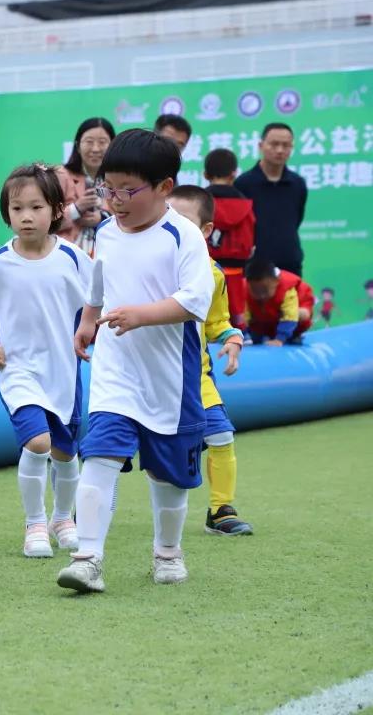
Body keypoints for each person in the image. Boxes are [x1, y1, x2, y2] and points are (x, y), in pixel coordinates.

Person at [57, 129, 215, 593]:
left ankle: (168, 552)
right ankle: (88, 557)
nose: (115, 200)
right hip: (116, 373)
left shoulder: (183, 236)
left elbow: (194, 301)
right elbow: (99, 284)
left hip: (170, 381)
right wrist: (89, 320)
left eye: (127, 190)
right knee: (98, 455)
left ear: (164, 187)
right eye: (108, 188)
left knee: (169, 476)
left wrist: (141, 315)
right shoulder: (107, 232)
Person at [0, 164, 90, 558]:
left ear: (56, 210)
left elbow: (97, 302)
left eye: (36, 207)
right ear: (7, 213)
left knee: (65, 451)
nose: (26, 216)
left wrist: (90, 331)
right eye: (17, 208)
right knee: (38, 442)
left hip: (63, 370)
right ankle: (35, 523)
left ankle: (63, 518)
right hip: (16, 370)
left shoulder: (73, 258)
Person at [168, 185, 253, 536]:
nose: (173, 227)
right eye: (167, 218)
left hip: (195, 377)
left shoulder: (213, 273)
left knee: (220, 436)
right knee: (116, 448)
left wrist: (232, 338)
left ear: (206, 230)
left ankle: (220, 511)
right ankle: (86, 513)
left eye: (183, 221)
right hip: (141, 376)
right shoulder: (144, 262)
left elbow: (217, 322)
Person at [235, 123, 307, 276]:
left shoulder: (297, 184)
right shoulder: (243, 184)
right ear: (261, 146)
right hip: (254, 268)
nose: (280, 150)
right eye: (274, 144)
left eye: (286, 145)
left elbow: (296, 220)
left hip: (290, 264)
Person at [203, 148, 255, 328]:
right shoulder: (245, 205)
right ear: (234, 174)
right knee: (235, 313)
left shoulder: (199, 203)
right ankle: (241, 336)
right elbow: (248, 241)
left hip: (205, 268)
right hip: (235, 270)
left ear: (205, 175)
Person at [56, 117, 115, 257]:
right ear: (77, 146)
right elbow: (45, 222)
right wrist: (76, 209)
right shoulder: (60, 176)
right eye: (89, 142)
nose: (95, 149)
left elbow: (129, 219)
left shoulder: (118, 179)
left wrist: (102, 218)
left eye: (102, 142)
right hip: (67, 256)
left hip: (108, 255)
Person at [243, 258, 313, 345]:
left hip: (291, 319)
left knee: (302, 314)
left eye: (265, 290)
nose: (261, 296)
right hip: (262, 321)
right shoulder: (244, 288)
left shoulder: (287, 288)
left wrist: (280, 339)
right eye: (255, 291)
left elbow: (290, 316)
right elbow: (242, 318)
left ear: (276, 281)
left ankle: (292, 336)